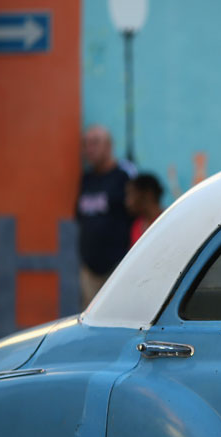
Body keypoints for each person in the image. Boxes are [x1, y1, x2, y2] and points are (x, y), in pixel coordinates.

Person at [75, 125, 137, 307]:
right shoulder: (86, 179)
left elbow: (136, 217)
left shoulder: (123, 176)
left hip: (117, 269)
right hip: (89, 271)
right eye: (85, 144)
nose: (89, 149)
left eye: (94, 143)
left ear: (109, 146)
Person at [125, 173, 164, 245]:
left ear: (148, 194)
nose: (127, 201)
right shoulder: (136, 227)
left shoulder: (168, 219)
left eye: (131, 194)